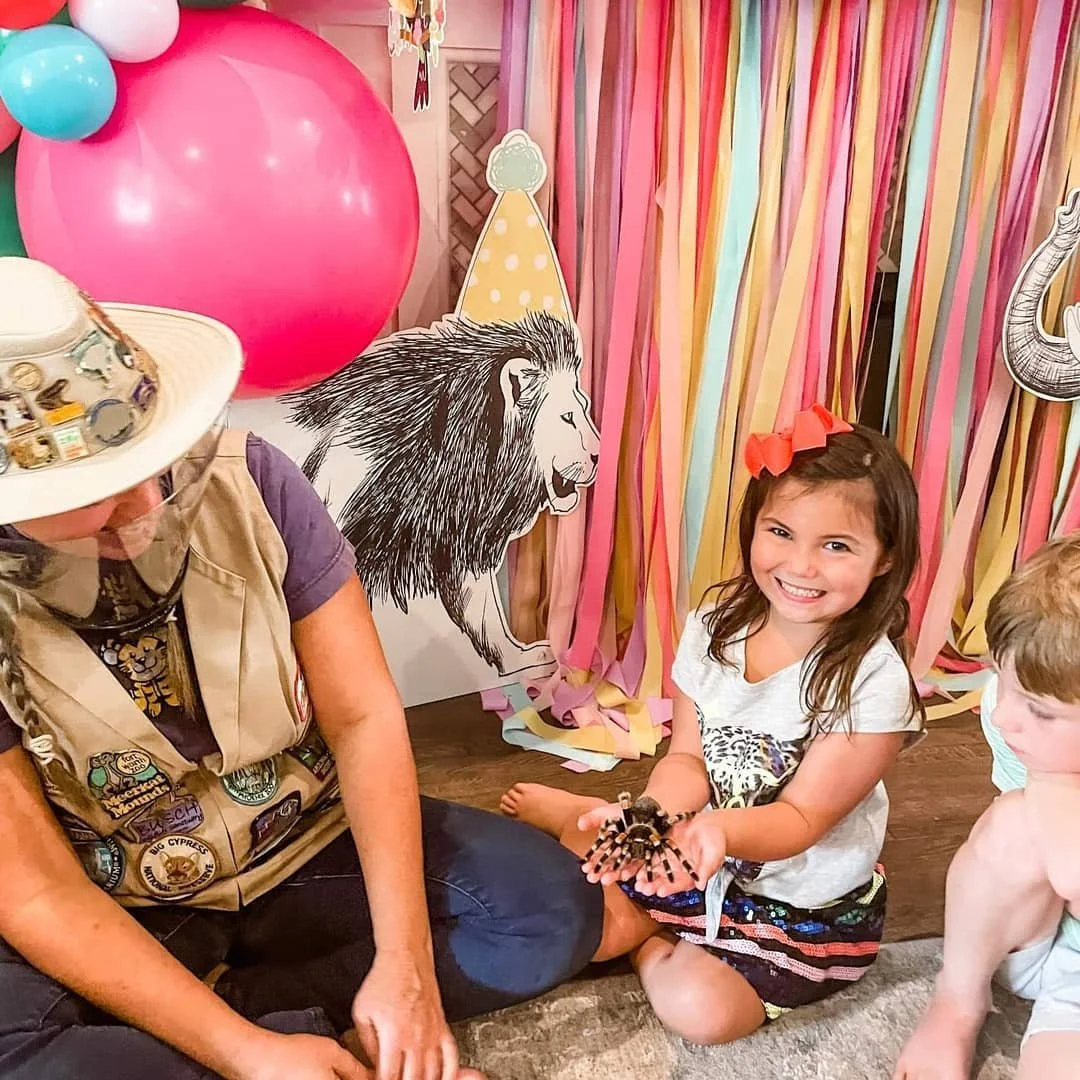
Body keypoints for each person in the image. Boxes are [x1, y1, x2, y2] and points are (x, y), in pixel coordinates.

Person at [0, 258, 602, 1080]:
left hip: (304, 838)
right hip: (123, 900)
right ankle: (257, 1036)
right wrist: (243, 1052)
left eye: (159, 460)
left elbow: (362, 717)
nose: (148, 510)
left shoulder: (255, 481)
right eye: (104, 498)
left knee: (549, 911)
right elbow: (35, 894)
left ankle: (249, 1024)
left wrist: (408, 970)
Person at [502, 405, 925, 1042]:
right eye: (781, 532)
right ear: (753, 526)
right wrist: (646, 816)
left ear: (885, 559)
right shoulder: (716, 626)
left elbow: (802, 820)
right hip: (696, 853)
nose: (801, 566)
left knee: (703, 1012)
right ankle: (588, 818)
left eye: (836, 546)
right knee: (576, 929)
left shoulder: (873, 683)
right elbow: (687, 762)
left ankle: (649, 937)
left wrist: (715, 834)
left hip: (800, 903)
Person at [894, 535, 1080, 1080]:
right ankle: (957, 1002)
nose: (1002, 717)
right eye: (1002, 680)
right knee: (1012, 824)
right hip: (1058, 951)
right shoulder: (1018, 729)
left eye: (1041, 711)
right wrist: (1051, 783)